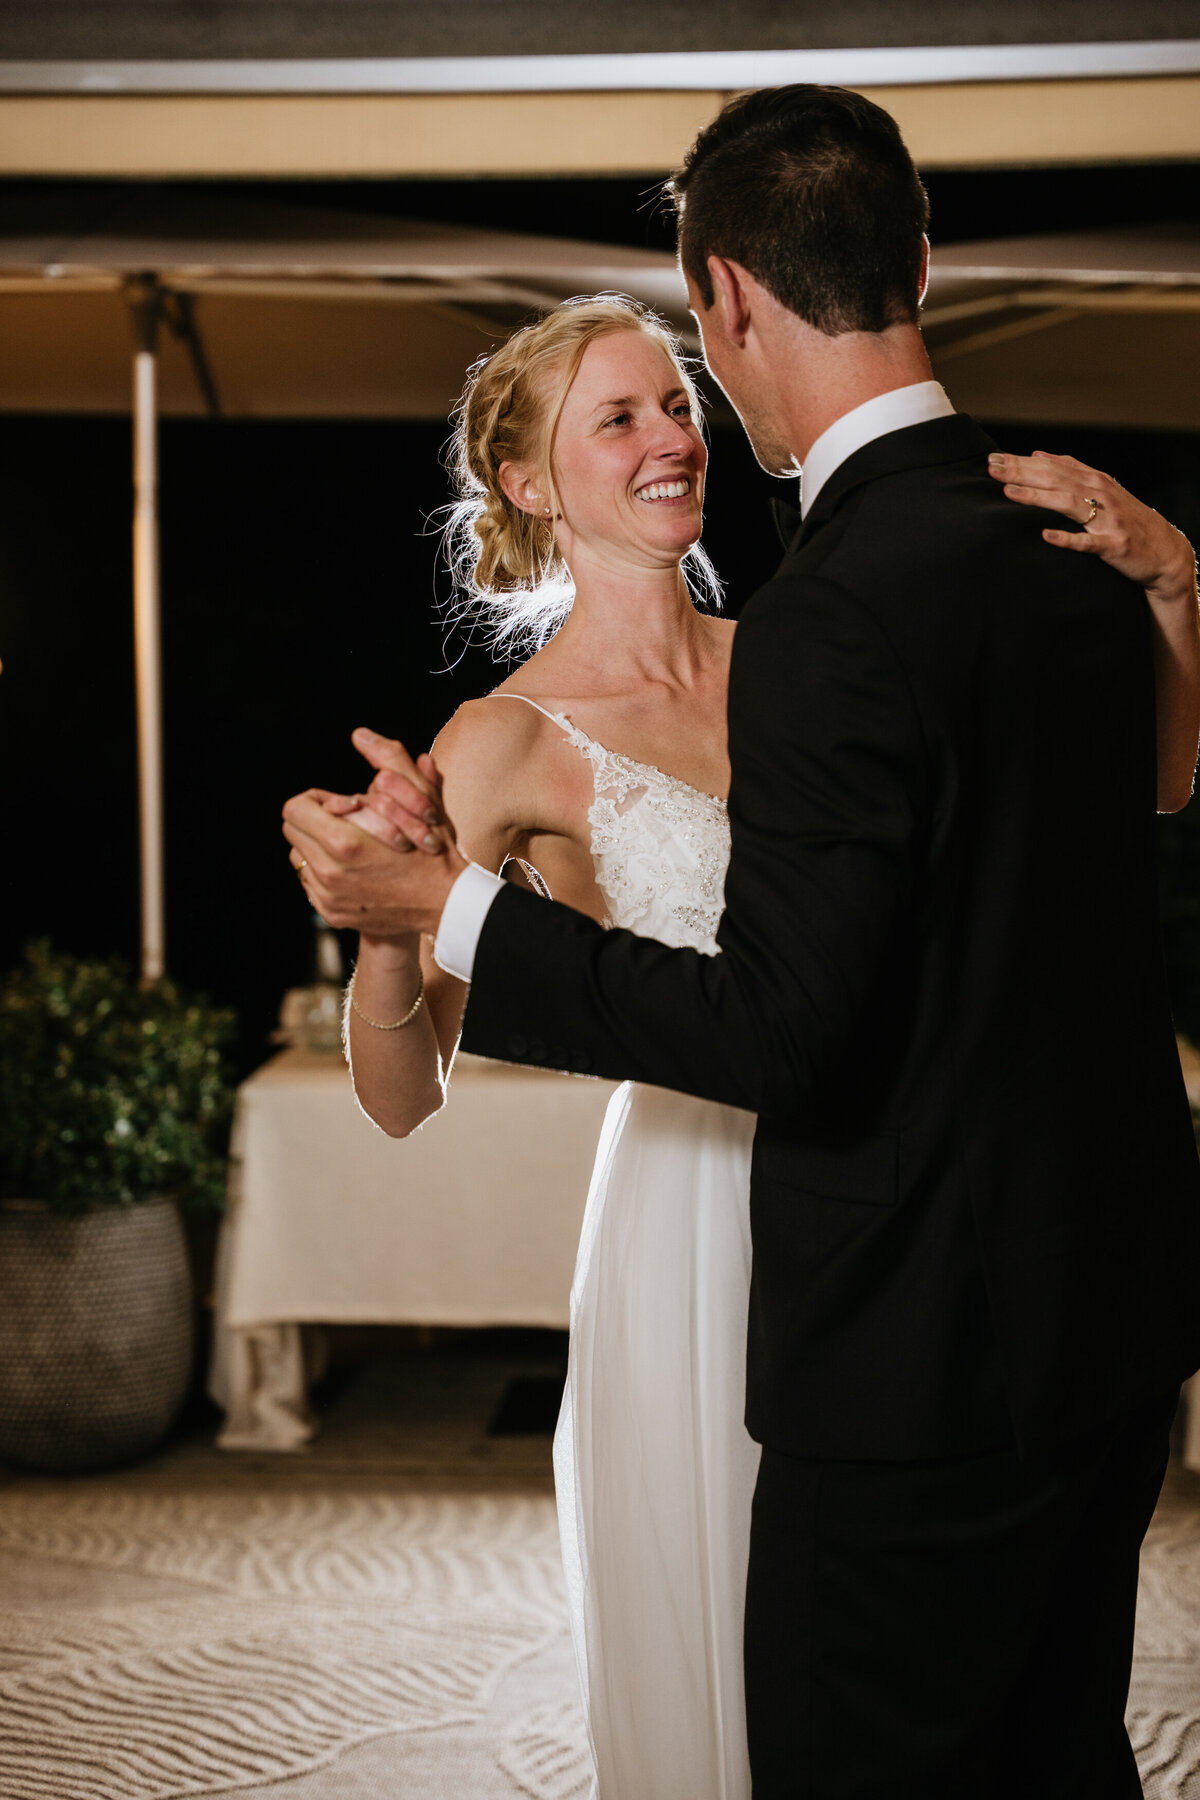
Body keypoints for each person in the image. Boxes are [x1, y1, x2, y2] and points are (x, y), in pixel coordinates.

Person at [283, 88, 1200, 1800]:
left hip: (884, 1230)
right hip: (705, 1227)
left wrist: (1172, 602)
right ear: (523, 474)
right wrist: (396, 931)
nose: (672, 436)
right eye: (616, 414)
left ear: (731, 322)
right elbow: (402, 1093)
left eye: (679, 400)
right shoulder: (498, 743)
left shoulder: (810, 632)